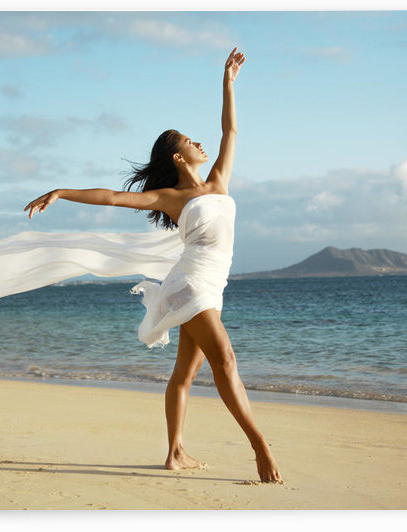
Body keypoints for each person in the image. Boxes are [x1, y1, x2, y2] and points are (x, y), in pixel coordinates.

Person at [23, 48, 281, 483]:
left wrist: (229, 83)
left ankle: (175, 453)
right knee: (226, 362)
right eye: (188, 141)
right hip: (191, 284)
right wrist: (61, 191)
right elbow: (111, 196)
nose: (200, 143)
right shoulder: (170, 198)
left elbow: (230, 129)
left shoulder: (218, 181)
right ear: (179, 159)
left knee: (186, 373)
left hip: (209, 287)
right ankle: (260, 448)